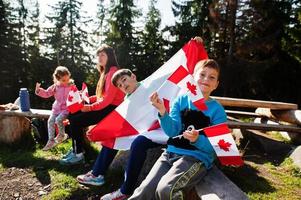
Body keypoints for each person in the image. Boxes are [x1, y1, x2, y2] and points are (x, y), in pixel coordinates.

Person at [128, 59, 227, 200]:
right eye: (202, 74)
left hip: (196, 158)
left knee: (166, 190)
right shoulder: (180, 101)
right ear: (193, 78)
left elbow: (219, 146)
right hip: (170, 153)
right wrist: (162, 111)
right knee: (144, 191)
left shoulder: (217, 111)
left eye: (212, 77)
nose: (206, 79)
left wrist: (197, 139)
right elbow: (172, 131)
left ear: (216, 85)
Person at [76, 69, 165, 200]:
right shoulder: (127, 100)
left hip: (161, 127)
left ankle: (125, 190)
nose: (123, 85)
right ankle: (98, 174)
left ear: (133, 76)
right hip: (144, 130)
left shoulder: (151, 85)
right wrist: (98, 132)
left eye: (124, 80)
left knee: (138, 143)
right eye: (119, 85)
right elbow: (122, 123)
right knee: (114, 136)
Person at [59, 44, 125, 165]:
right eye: (98, 55)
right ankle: (76, 150)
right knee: (73, 115)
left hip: (112, 109)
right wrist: (85, 99)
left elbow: (107, 101)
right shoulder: (105, 71)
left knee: (77, 121)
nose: (100, 58)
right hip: (106, 106)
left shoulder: (113, 72)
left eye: (103, 55)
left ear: (109, 56)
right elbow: (101, 96)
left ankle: (78, 154)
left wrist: (89, 107)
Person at [35, 66, 73, 151]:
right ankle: (51, 140)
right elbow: (47, 93)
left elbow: (76, 94)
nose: (66, 82)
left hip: (67, 108)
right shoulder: (55, 87)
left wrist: (80, 94)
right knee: (50, 121)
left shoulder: (71, 86)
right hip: (56, 108)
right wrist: (39, 90)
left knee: (58, 120)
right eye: (63, 80)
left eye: (67, 79)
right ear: (57, 79)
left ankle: (62, 135)